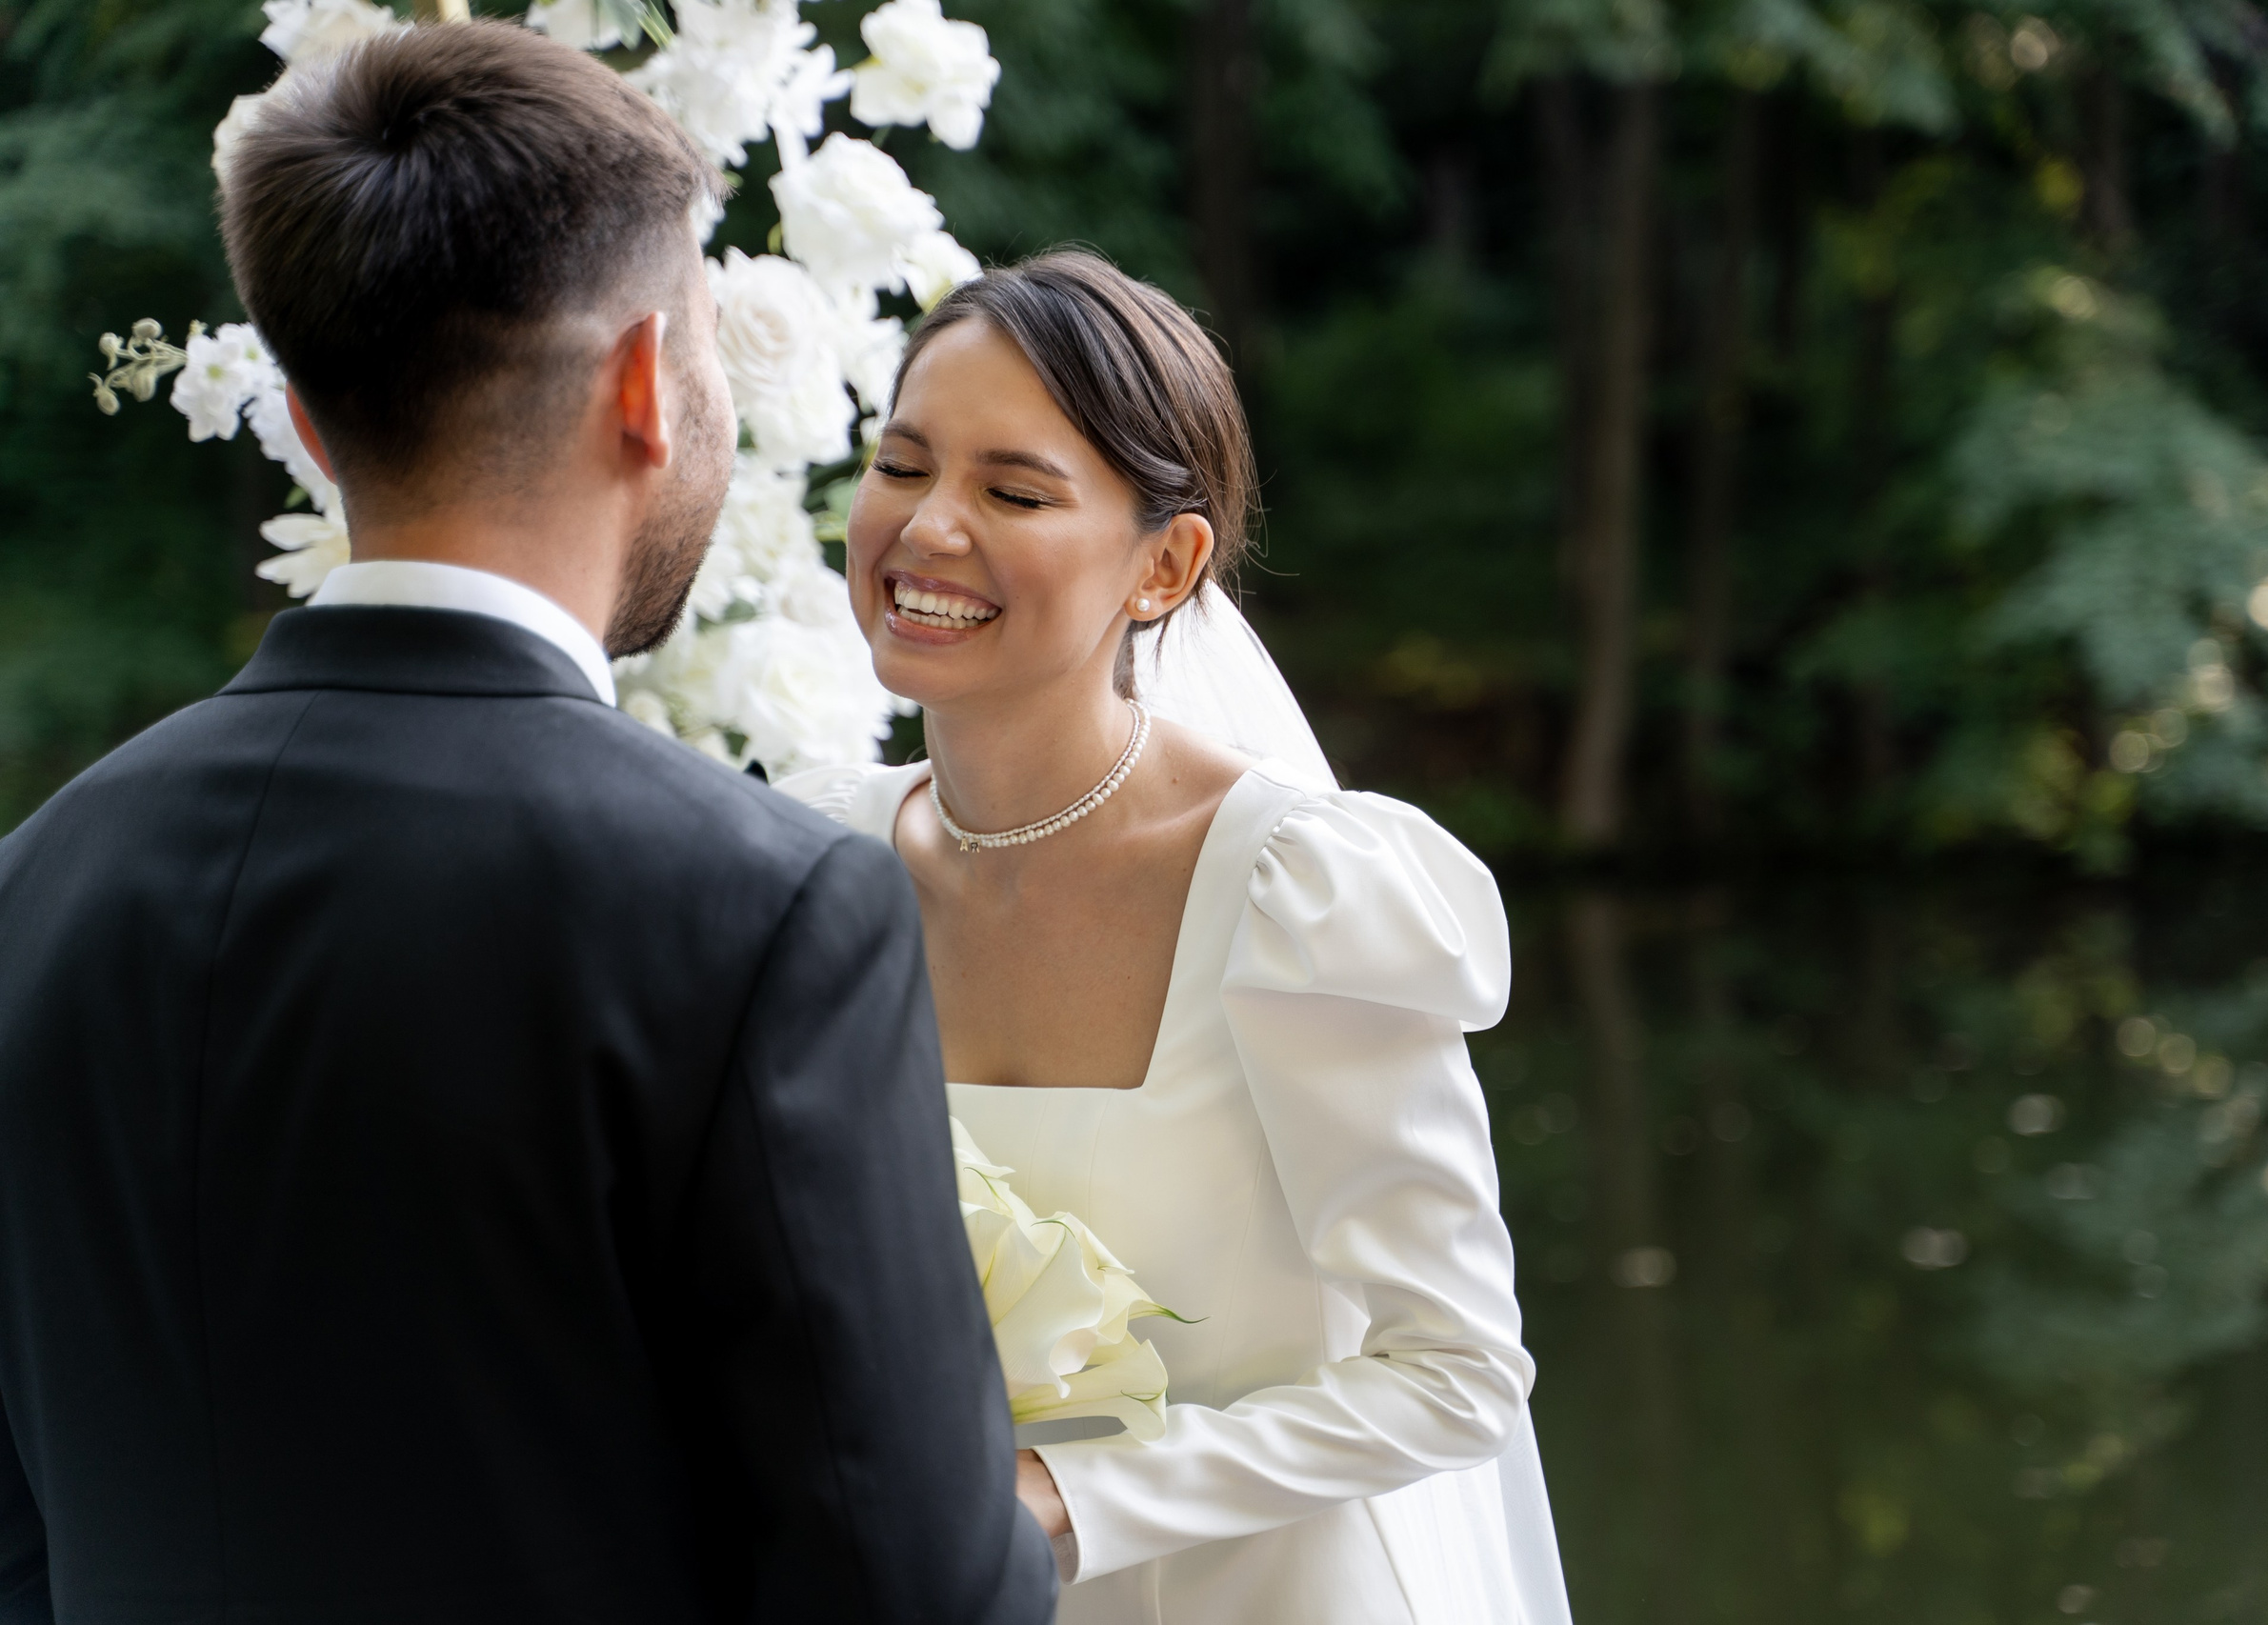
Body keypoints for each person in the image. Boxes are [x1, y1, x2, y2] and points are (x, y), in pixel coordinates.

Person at [0, 23, 1053, 1625]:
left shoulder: (35, 882)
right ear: (646, 382)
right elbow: (914, 1588)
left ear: (298, 417)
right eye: (702, 342)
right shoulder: (764, 909)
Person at [779, 251, 1572, 1624]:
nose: (926, 527)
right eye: (903, 466)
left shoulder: (1296, 892)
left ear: (1166, 563)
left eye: (1012, 491)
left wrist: (1070, 1500)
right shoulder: (803, 863)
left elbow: (1456, 1371)